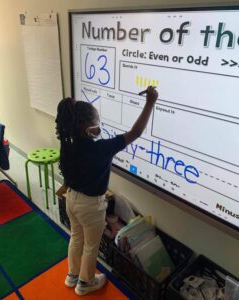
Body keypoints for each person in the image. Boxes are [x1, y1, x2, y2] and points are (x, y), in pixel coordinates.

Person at [55, 86, 158, 296]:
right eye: (96, 123)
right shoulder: (101, 148)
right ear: (87, 129)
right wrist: (150, 103)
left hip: (72, 200)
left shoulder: (68, 143)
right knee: (91, 246)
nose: (98, 126)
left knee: (76, 236)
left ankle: (72, 275)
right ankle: (85, 282)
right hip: (91, 206)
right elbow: (135, 133)